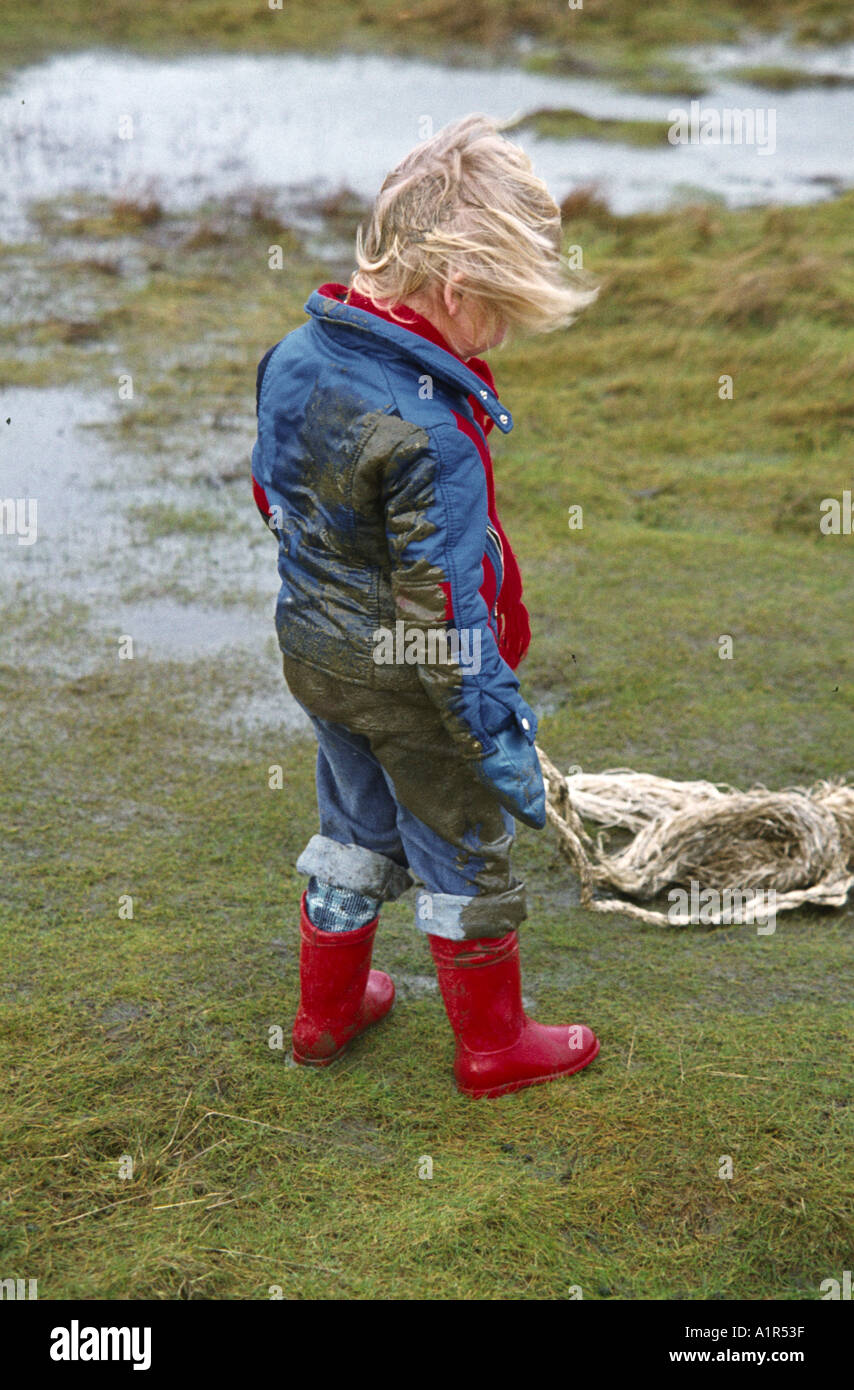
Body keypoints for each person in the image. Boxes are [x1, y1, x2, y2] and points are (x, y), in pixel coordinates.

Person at [251, 113, 600, 1098]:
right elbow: (444, 615)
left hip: (315, 656)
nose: (500, 340)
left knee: (353, 821)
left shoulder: (292, 354)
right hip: (412, 683)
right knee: (462, 848)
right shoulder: (431, 436)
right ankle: (491, 1048)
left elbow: (271, 493)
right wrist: (490, 732)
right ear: (454, 291)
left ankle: (324, 1016)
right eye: (498, 315)